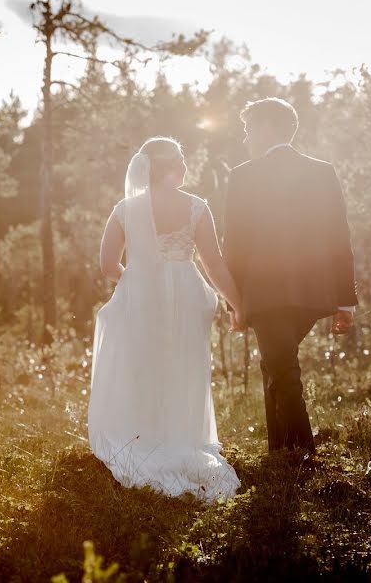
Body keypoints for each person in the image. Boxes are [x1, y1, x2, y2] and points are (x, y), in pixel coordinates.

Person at [87, 136, 242, 503]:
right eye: (183, 162)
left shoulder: (126, 209)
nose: (187, 168)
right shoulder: (196, 207)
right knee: (184, 366)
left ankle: (144, 438)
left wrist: (139, 277)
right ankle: (182, 438)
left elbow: (108, 265)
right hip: (187, 294)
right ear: (174, 167)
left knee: (142, 366)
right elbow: (214, 263)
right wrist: (238, 304)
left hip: (140, 293)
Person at [223, 98, 359, 454]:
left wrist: (234, 302)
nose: (246, 139)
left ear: (267, 129)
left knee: (282, 369)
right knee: (278, 363)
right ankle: (280, 452)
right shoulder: (322, 170)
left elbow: (234, 244)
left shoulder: (242, 176)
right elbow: (338, 236)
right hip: (314, 294)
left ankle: (302, 454)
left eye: (249, 130)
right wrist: (346, 299)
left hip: (265, 294)